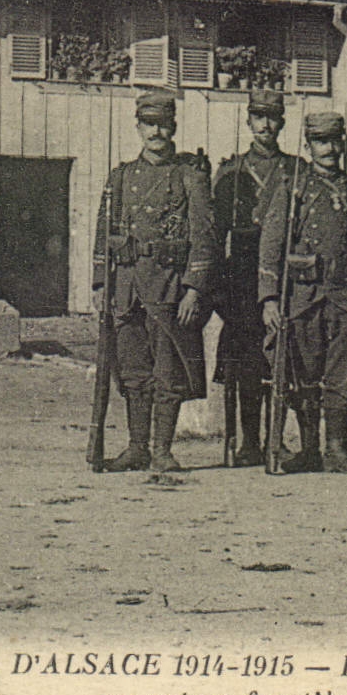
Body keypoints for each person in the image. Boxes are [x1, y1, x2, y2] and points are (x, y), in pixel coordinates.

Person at [258, 112, 347, 475]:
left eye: (334, 141)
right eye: (321, 142)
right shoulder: (292, 188)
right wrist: (269, 297)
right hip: (304, 297)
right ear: (308, 146)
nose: (329, 149)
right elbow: (270, 247)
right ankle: (310, 449)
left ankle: (336, 450)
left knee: (342, 377)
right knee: (304, 376)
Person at [93, 91, 217, 473]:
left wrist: (194, 288)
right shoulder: (121, 176)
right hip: (128, 289)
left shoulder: (189, 178)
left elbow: (204, 236)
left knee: (168, 374)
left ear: (174, 127)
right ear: (139, 127)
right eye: (149, 124)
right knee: (133, 374)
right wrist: (101, 284)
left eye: (163, 124)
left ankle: (162, 450)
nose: (156, 131)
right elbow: (103, 234)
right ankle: (136, 447)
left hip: (168, 288)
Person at [210, 89, 296, 467]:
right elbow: (215, 231)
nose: (265, 124)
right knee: (245, 362)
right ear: (248, 122)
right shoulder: (231, 171)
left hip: (284, 272)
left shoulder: (296, 170)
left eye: (272, 117)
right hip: (243, 274)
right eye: (258, 117)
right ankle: (248, 441)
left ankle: (278, 436)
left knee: (282, 358)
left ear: (281, 122)